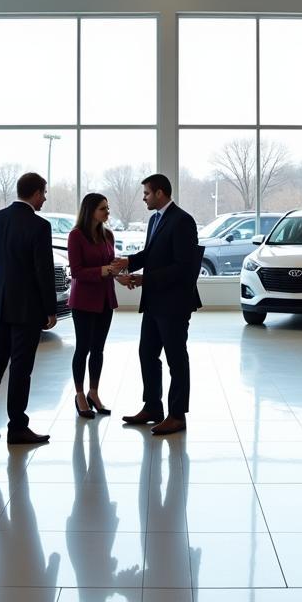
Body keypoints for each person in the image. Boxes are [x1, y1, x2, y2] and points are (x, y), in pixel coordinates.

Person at [0, 171, 56, 446]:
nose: (44, 198)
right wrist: (50, 309)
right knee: (21, 367)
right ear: (35, 193)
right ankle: (18, 427)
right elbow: (43, 272)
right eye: (43, 193)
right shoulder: (39, 226)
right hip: (27, 307)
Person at [117, 173, 201, 435]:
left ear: (160, 193)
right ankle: (153, 407)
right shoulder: (155, 219)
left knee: (176, 358)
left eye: (146, 193)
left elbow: (183, 267)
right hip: (154, 301)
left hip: (174, 303)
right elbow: (152, 254)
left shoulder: (183, 221)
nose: (144, 198)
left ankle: (177, 415)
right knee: (147, 354)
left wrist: (145, 279)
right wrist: (128, 263)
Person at [67, 193, 127, 418]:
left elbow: (111, 265)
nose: (107, 212)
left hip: (105, 299)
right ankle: (80, 394)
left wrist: (120, 275)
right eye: (103, 208)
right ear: (90, 210)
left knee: (98, 349)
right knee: (82, 348)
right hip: (83, 301)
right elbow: (76, 271)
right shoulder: (76, 236)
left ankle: (94, 392)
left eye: (108, 208)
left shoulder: (107, 235)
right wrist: (102, 271)